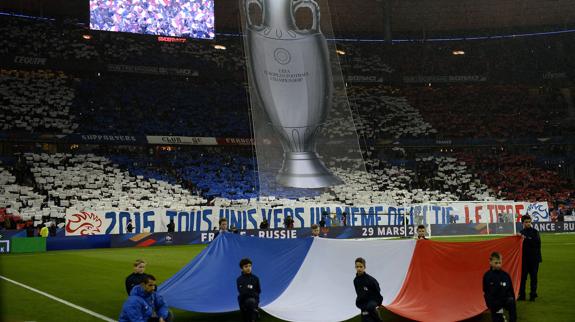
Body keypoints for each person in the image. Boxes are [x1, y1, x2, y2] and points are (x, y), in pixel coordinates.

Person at [483, 252, 517, 322]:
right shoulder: (487, 276)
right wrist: (490, 305)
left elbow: (511, 290)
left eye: (500, 263)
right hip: (495, 302)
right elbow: (486, 292)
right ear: (490, 262)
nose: (498, 265)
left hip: (505, 300)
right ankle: (500, 316)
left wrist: (512, 300)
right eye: (496, 263)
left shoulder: (506, 275)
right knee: (498, 319)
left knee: (511, 302)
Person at [518, 214, 542, 301]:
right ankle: (522, 295)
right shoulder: (521, 233)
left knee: (533, 278)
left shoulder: (535, 232)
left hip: (534, 259)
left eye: (529, 222)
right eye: (526, 222)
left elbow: (536, 244)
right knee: (523, 278)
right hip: (524, 260)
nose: (528, 223)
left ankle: (533, 295)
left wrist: (526, 238)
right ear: (522, 223)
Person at [354, 257, 383, 322]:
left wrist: (378, 303)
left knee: (370, 308)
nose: (359, 268)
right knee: (365, 318)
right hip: (363, 303)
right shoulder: (355, 281)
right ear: (355, 267)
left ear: (364, 267)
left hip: (372, 302)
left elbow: (377, 291)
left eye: (361, 266)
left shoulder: (371, 280)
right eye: (357, 266)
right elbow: (358, 293)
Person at [237, 258, 261, 322]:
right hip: (243, 300)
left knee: (251, 303)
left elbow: (258, 291)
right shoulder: (239, 279)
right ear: (242, 268)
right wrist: (250, 290)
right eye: (246, 266)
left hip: (253, 301)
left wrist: (251, 292)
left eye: (250, 266)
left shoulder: (255, 278)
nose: (248, 268)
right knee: (245, 317)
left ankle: (254, 314)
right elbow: (242, 292)